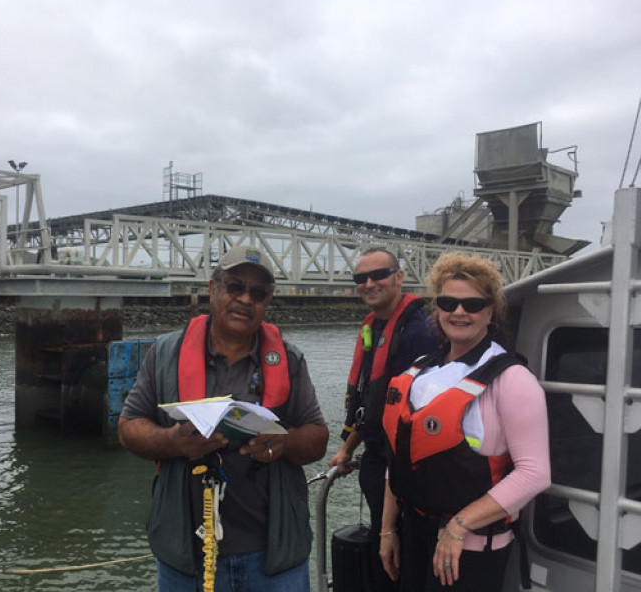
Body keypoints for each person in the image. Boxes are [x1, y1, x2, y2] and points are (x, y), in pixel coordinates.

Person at [118, 244, 329, 592]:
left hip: (274, 557)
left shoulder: (289, 359)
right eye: (235, 287)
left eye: (258, 293)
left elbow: (318, 438)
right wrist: (173, 442)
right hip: (185, 556)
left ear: (267, 302)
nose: (246, 299)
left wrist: (285, 441)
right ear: (213, 289)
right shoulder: (165, 354)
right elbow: (128, 429)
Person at [379, 253, 551, 591]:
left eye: (472, 304)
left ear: (490, 311)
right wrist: (387, 529)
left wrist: (458, 527)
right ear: (437, 308)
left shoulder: (512, 379)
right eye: (448, 302)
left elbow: (535, 473)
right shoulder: (419, 370)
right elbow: (398, 458)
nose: (459, 312)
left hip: (469, 547)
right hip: (414, 532)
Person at [328, 248, 438, 591]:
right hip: (377, 459)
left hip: (401, 469)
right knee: (383, 551)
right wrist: (347, 448)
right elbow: (372, 404)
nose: (369, 284)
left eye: (378, 275)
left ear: (399, 277)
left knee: (397, 557)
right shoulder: (376, 326)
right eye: (361, 278)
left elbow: (405, 410)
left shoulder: (418, 333)